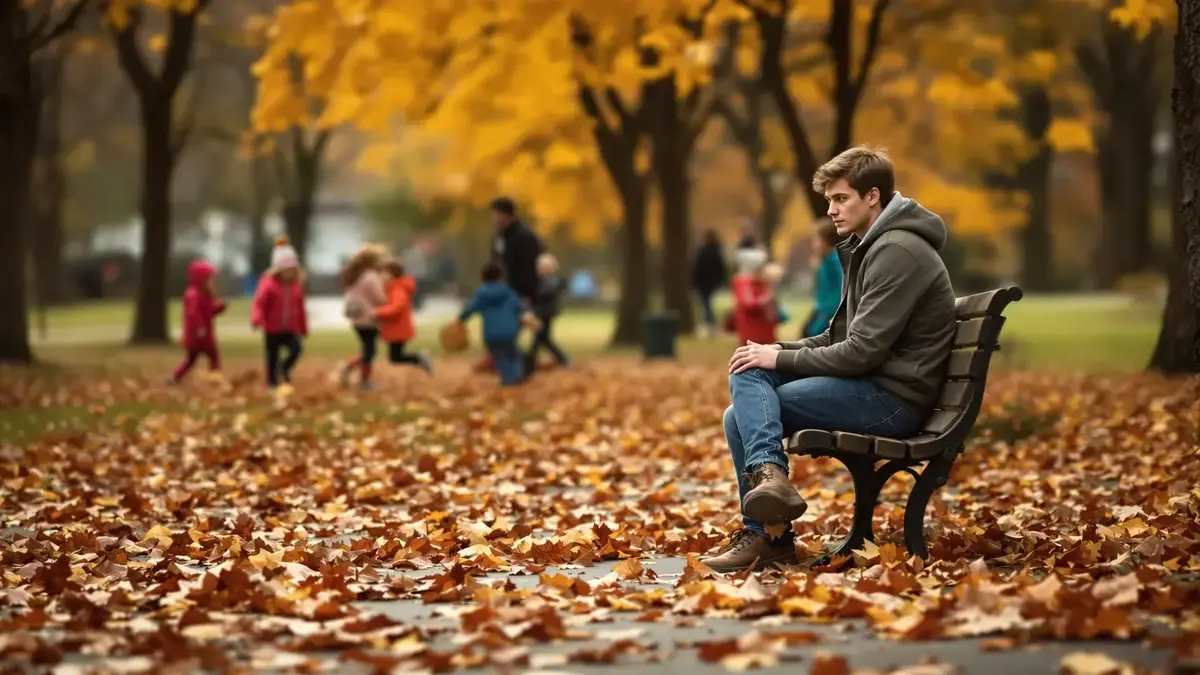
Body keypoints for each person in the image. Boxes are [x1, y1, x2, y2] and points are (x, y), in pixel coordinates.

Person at [705, 146, 957, 572]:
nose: (831, 210)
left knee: (751, 399)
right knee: (746, 385)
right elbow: (837, 337)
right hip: (872, 386)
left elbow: (861, 352)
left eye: (841, 199)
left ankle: (769, 494)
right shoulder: (871, 245)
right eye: (829, 200)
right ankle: (770, 521)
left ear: (872, 196)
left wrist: (777, 359)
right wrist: (778, 351)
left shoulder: (898, 251)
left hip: (893, 399)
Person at [478, 197, 544, 373]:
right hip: (501, 294)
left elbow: (530, 270)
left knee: (511, 334)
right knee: (504, 335)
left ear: (508, 216)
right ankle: (513, 366)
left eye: (497, 215)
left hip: (520, 294)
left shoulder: (525, 238)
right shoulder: (497, 238)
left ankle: (520, 366)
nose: (493, 219)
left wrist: (526, 295)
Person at [251, 238, 309, 389]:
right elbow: (259, 303)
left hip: (290, 328)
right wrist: (257, 319)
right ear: (278, 270)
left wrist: (303, 327)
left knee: (296, 350)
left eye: (292, 270)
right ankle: (272, 382)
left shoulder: (296, 287)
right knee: (272, 356)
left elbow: (301, 308)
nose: (289, 273)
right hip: (272, 328)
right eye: (285, 270)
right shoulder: (269, 285)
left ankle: (284, 368)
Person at [459, 261, 528, 387]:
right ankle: (516, 376)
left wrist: (460, 320)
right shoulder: (509, 292)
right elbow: (520, 309)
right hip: (509, 331)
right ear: (501, 276)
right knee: (515, 354)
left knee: (500, 358)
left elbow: (471, 308)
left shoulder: (481, 293)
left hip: (491, 333)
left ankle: (508, 380)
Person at [339, 243, 390, 390]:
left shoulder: (355, 275)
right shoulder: (370, 276)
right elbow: (378, 298)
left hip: (357, 318)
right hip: (369, 318)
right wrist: (389, 298)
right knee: (369, 351)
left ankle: (363, 378)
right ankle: (354, 371)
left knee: (367, 349)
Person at [168, 260, 226, 384]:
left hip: (204, 336)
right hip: (197, 336)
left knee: (196, 360)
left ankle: (175, 377)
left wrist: (219, 308)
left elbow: (208, 312)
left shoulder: (206, 295)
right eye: (209, 279)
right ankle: (215, 378)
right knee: (209, 358)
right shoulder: (193, 294)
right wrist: (200, 327)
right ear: (201, 279)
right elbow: (193, 313)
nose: (212, 282)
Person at [374, 260, 434, 375]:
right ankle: (419, 358)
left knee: (396, 357)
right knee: (395, 356)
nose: (380, 276)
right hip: (397, 328)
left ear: (391, 274)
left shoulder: (398, 289)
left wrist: (378, 312)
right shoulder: (395, 288)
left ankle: (420, 357)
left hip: (398, 328)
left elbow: (396, 308)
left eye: (383, 273)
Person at [525, 253, 570, 375]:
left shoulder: (549, 281)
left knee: (539, 339)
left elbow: (543, 295)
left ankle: (530, 364)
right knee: (543, 339)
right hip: (544, 312)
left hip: (544, 313)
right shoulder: (547, 281)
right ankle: (562, 359)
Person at [803, 218, 845, 339]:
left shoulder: (835, 260)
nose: (813, 244)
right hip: (821, 308)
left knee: (812, 338)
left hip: (830, 311)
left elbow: (842, 286)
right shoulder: (826, 259)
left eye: (816, 240)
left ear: (826, 240)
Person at [729, 247, 777, 346]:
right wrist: (764, 300)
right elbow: (748, 304)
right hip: (751, 331)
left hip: (764, 330)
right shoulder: (744, 282)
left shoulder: (763, 282)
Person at [691, 229, 727, 338]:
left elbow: (697, 268)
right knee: (707, 303)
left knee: (706, 303)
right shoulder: (716, 250)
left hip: (704, 282)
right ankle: (711, 323)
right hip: (709, 282)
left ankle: (710, 323)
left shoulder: (704, 250)